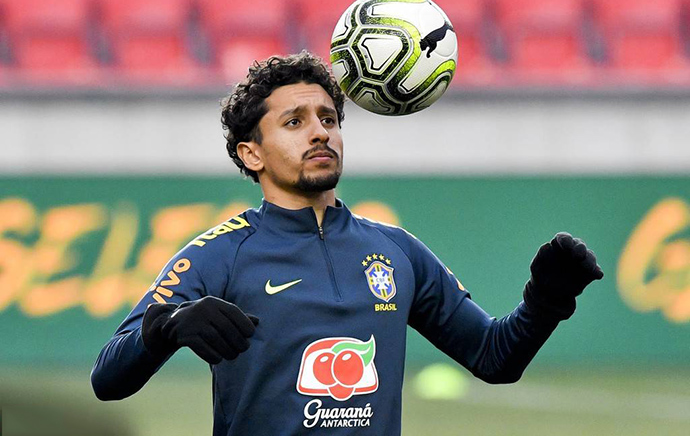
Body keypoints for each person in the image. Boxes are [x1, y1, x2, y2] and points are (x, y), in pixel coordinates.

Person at [91, 51, 604, 435]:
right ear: (252, 154)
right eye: (294, 122)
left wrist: (545, 301)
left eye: (328, 119)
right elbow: (107, 378)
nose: (320, 133)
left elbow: (494, 358)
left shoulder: (397, 250)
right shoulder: (220, 253)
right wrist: (169, 328)